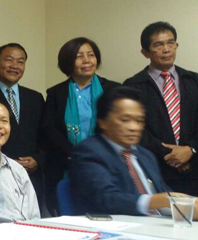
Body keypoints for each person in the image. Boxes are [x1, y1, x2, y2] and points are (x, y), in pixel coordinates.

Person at [70, 86, 198, 218]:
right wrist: (155, 201)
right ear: (103, 122)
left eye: (139, 121)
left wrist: (186, 205)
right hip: (114, 229)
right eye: (125, 120)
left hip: (158, 225)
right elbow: (106, 199)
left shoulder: (146, 155)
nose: (134, 127)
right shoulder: (89, 151)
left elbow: (164, 193)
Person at [42, 37, 119, 215]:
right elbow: (48, 129)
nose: (87, 61)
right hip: (66, 165)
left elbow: (117, 127)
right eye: (79, 56)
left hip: (106, 163)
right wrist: (73, 154)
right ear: (68, 62)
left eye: (90, 55)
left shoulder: (113, 89)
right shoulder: (56, 93)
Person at [124, 22, 198, 196]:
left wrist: (190, 150)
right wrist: (171, 154)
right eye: (158, 45)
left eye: (171, 43)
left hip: (195, 167)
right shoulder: (133, 86)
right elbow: (135, 131)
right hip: (156, 170)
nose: (166, 49)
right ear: (145, 53)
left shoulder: (194, 81)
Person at [0, 43, 46, 213]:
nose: (14, 66)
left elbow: (45, 136)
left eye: (20, 61)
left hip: (30, 177)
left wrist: (38, 160)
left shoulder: (35, 97)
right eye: (9, 60)